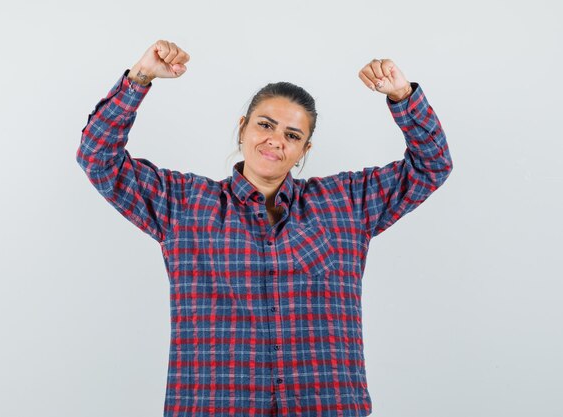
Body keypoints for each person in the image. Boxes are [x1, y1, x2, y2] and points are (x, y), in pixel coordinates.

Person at [76, 39, 453, 417]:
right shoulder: (184, 203)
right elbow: (98, 158)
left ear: (304, 149)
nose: (276, 140)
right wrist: (139, 79)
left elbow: (432, 165)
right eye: (265, 125)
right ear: (243, 128)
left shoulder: (346, 202)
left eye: (292, 135)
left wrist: (403, 97)